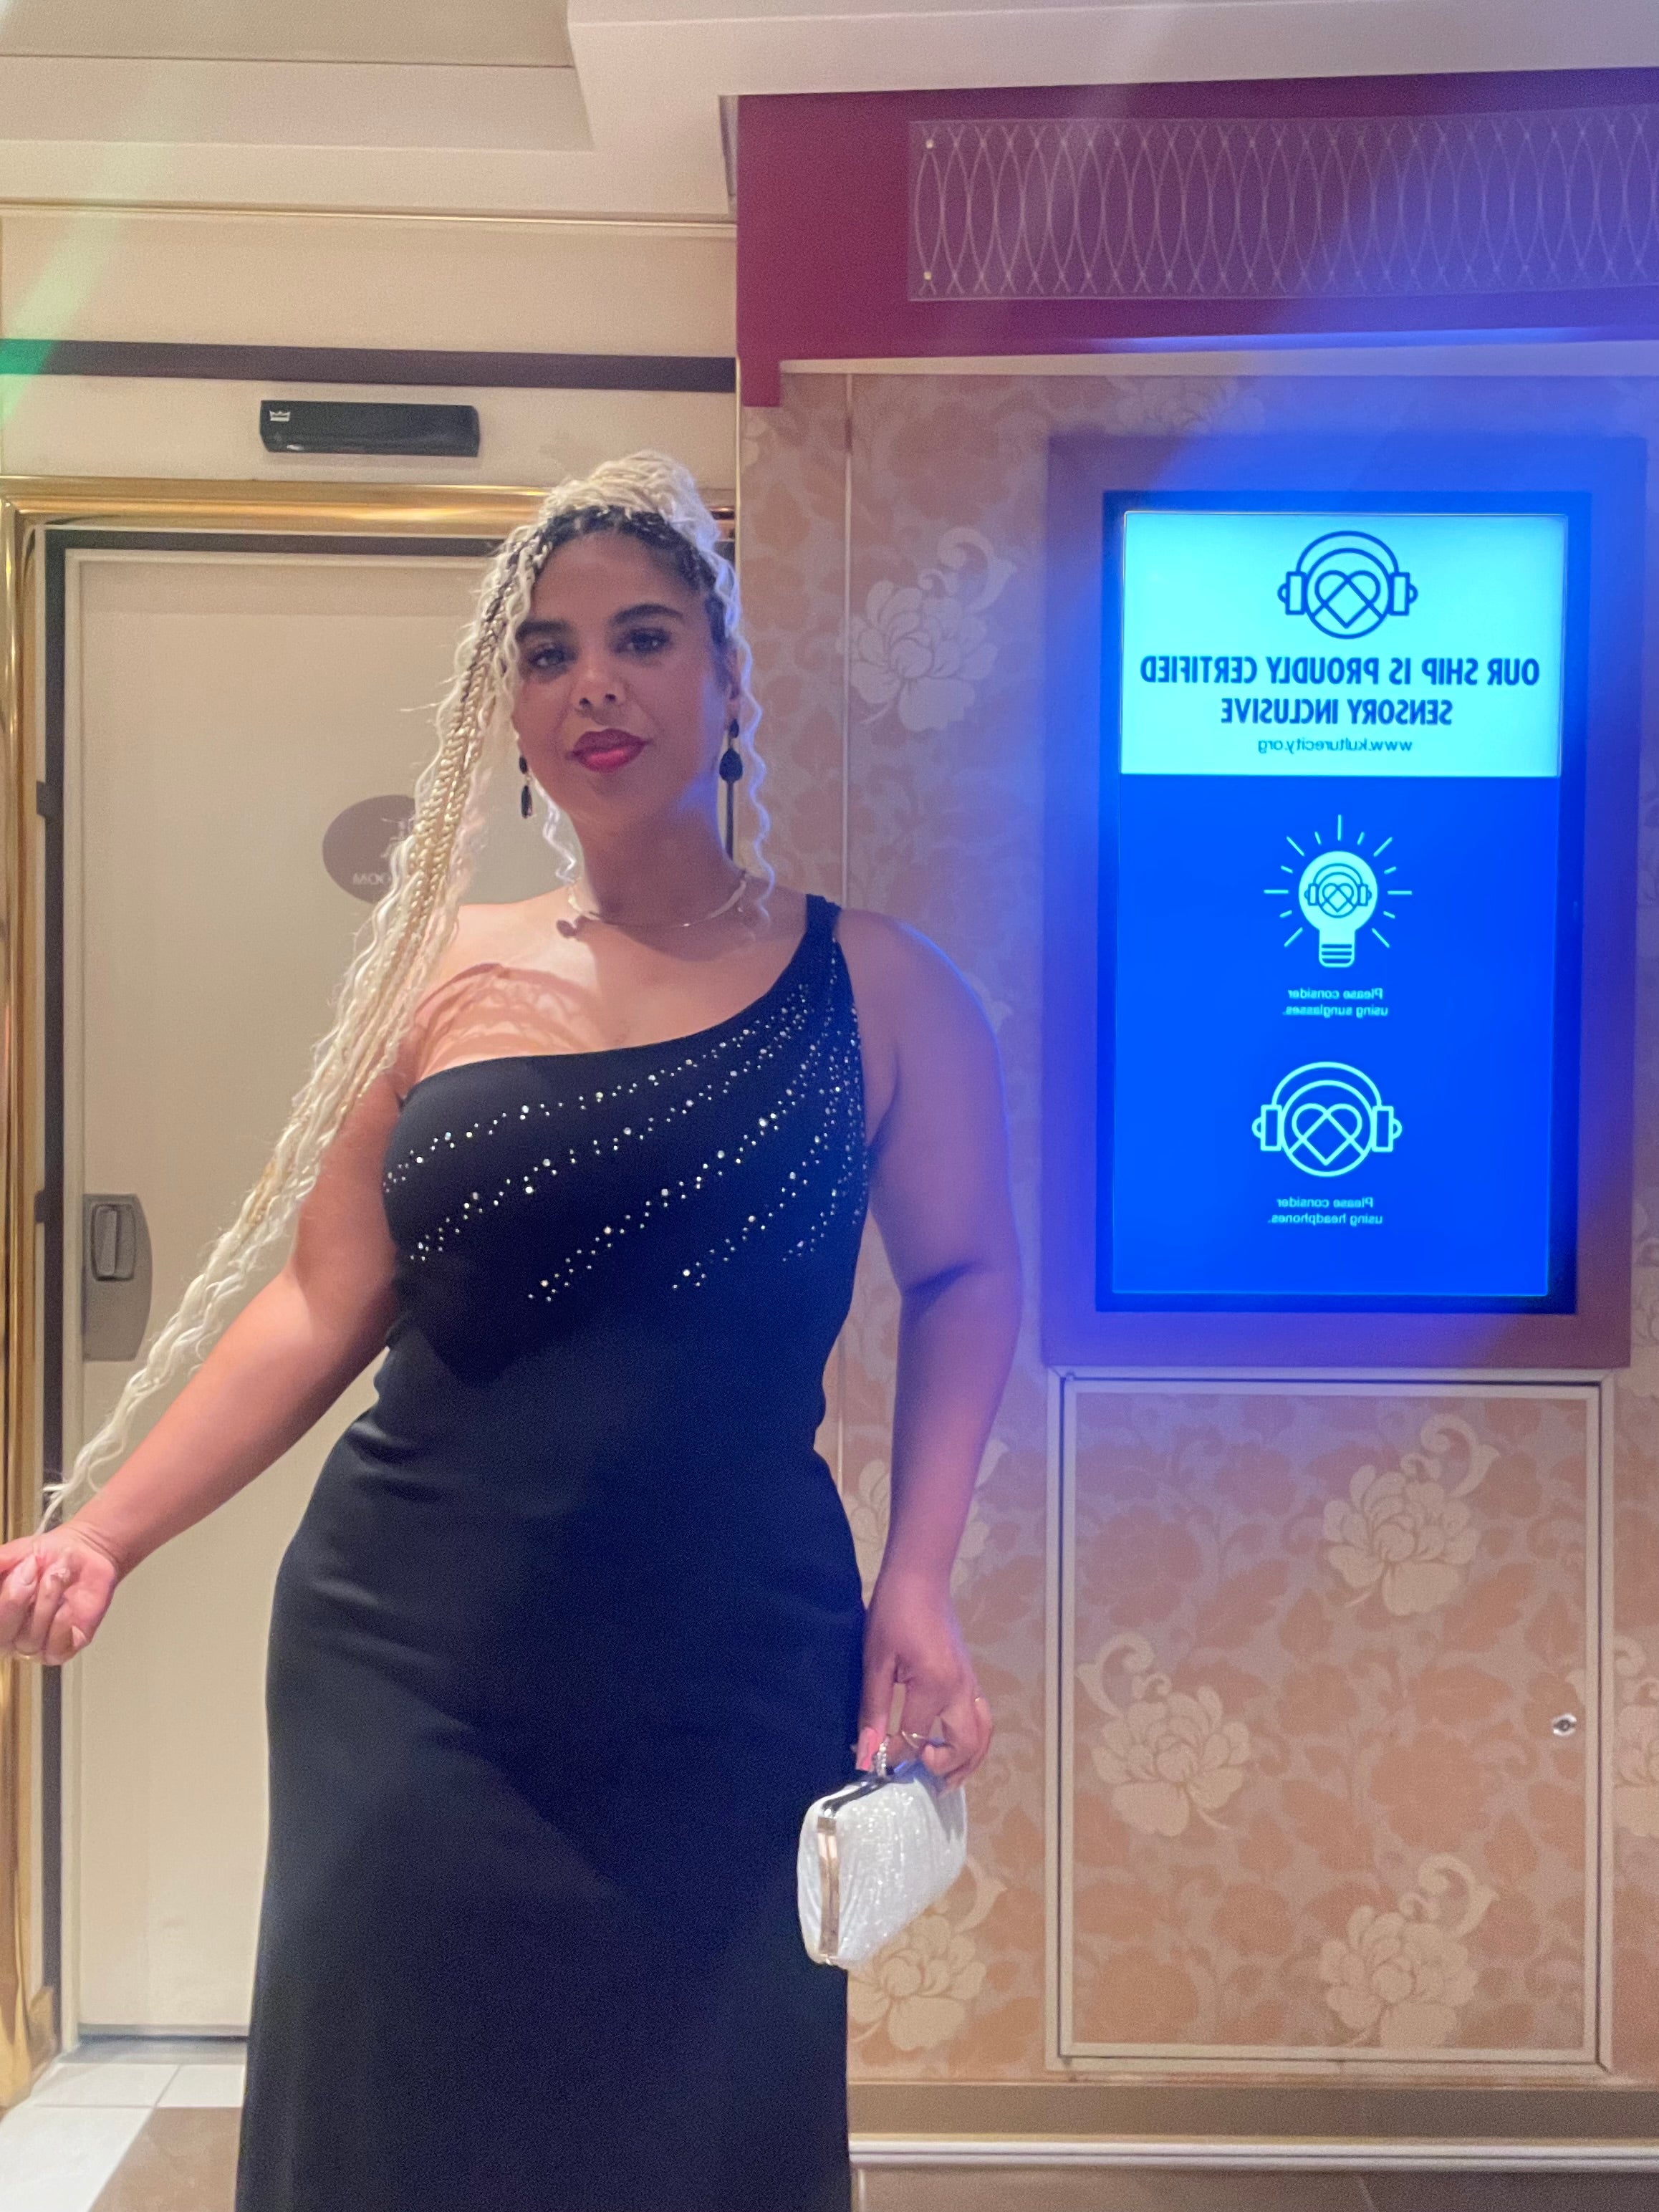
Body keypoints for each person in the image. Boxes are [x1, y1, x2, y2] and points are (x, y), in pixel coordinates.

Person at [0, 454, 1021, 2212]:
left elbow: (969, 1275)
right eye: (547, 654)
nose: (593, 685)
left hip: (729, 1655)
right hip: (410, 1658)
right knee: (396, 2119)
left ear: (728, 679)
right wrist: (107, 1529)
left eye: (643, 637)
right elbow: (323, 1297)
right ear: (515, 712)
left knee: (699, 2120)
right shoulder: (441, 971)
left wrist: (920, 1577)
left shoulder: (884, 985)